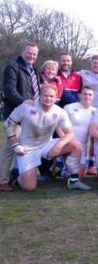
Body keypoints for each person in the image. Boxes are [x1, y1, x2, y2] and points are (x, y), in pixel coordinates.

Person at [5, 85, 86, 191]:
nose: (48, 99)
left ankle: (73, 181)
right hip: (27, 149)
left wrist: (59, 146)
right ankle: (16, 173)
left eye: (51, 96)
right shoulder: (26, 107)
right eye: (45, 96)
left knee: (76, 145)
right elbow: (8, 124)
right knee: (29, 187)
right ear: (40, 95)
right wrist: (15, 145)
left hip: (46, 145)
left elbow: (70, 133)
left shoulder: (59, 111)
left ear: (56, 97)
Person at [1, 42, 41, 192]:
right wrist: (24, 101)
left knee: (25, 145)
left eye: (34, 54)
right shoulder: (12, 67)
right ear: (22, 52)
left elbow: (35, 90)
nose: (31, 56)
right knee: (11, 147)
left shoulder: (34, 70)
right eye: (29, 53)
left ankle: (17, 175)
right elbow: (9, 90)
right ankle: (2, 180)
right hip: (15, 114)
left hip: (29, 114)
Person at [63, 86, 96, 180]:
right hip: (68, 145)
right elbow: (60, 127)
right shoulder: (69, 107)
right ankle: (64, 166)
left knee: (80, 176)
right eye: (85, 94)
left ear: (93, 97)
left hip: (82, 148)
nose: (87, 97)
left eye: (90, 95)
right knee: (75, 175)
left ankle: (64, 172)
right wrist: (64, 141)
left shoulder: (95, 111)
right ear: (79, 95)